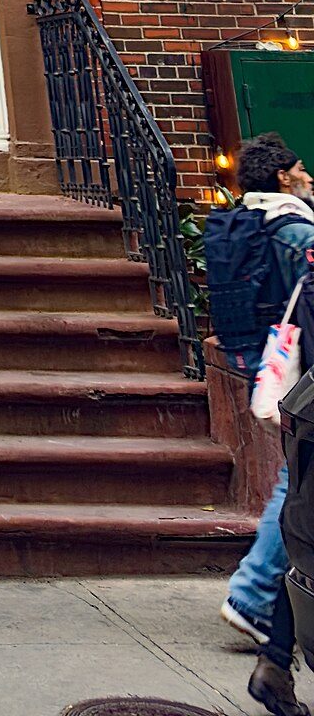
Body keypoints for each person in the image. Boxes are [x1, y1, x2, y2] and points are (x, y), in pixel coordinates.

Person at [205, 132, 314, 716]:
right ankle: (252, 596)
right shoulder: (294, 229)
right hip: (305, 374)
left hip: (270, 364)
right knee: (296, 492)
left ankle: (272, 645)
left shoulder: (242, 223)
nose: (308, 177)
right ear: (281, 177)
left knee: (295, 489)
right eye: (301, 169)